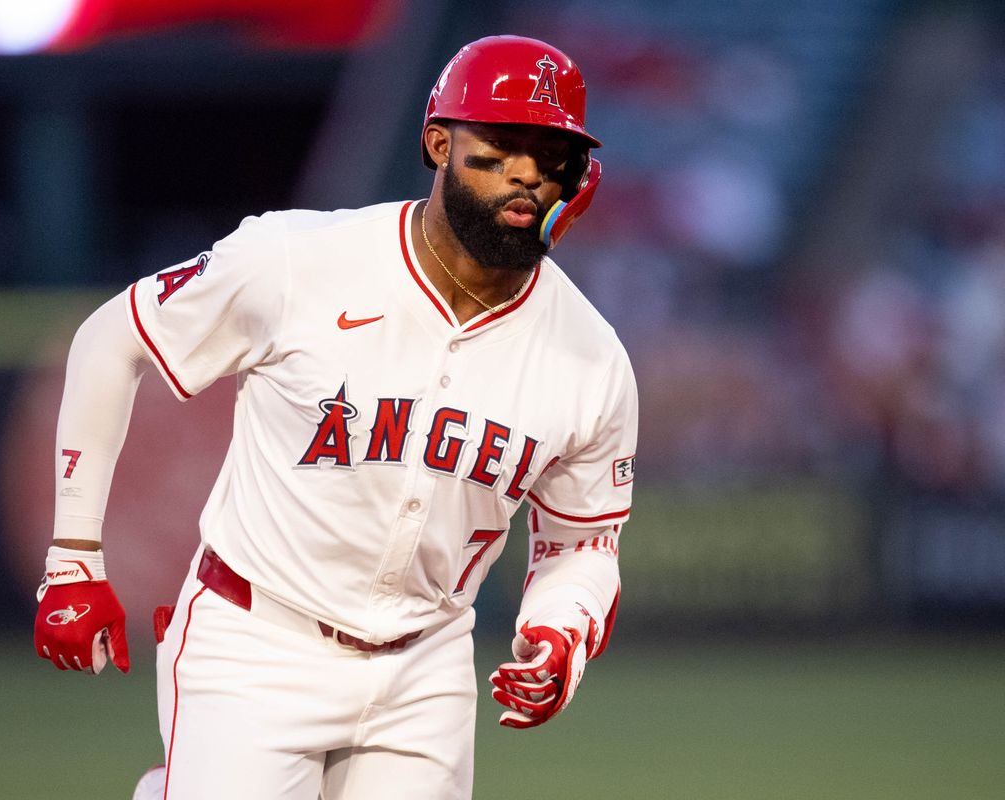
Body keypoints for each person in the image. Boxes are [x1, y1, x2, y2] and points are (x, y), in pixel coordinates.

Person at [33, 34, 638, 800]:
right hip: (258, 637)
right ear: (438, 143)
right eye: (503, 144)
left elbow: (584, 546)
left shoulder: (592, 359)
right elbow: (110, 339)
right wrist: (73, 557)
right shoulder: (299, 260)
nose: (527, 172)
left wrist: (562, 634)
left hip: (429, 661)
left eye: (553, 153)